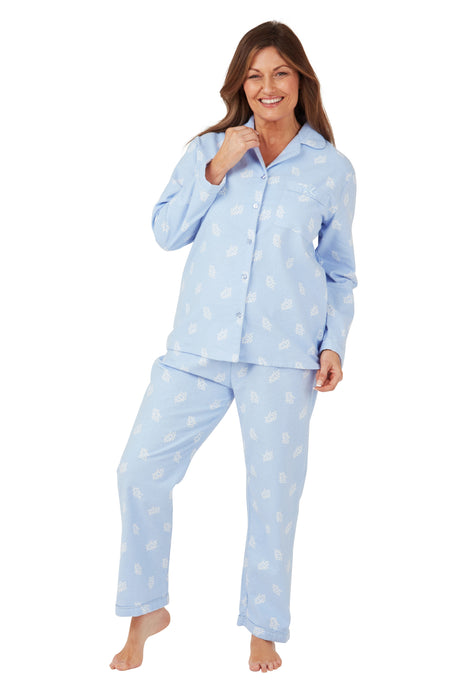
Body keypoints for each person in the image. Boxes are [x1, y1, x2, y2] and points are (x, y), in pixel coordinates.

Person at [110, 20, 357, 673]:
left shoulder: (330, 169)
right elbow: (165, 231)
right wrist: (217, 168)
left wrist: (333, 343)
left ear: (300, 80)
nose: (267, 86)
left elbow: (339, 270)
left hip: (283, 355)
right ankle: (145, 611)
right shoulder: (208, 150)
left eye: (280, 73)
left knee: (273, 495)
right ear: (239, 85)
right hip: (197, 346)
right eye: (254, 75)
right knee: (139, 470)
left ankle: (263, 628)